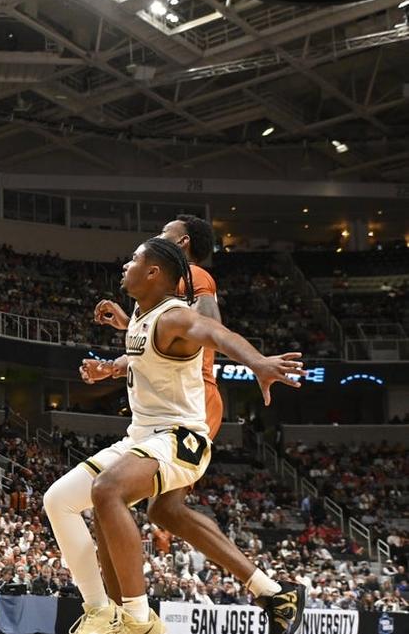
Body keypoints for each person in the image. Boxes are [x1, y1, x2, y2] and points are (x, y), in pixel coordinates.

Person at [45, 238, 305, 634]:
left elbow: (214, 331)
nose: (125, 264)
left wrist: (257, 362)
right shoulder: (140, 313)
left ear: (154, 272)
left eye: (133, 259)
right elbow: (141, 352)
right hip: (142, 436)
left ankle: (137, 619)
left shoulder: (175, 315)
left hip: (181, 438)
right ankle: (101, 611)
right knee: (59, 500)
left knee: (108, 490)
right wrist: (110, 368)